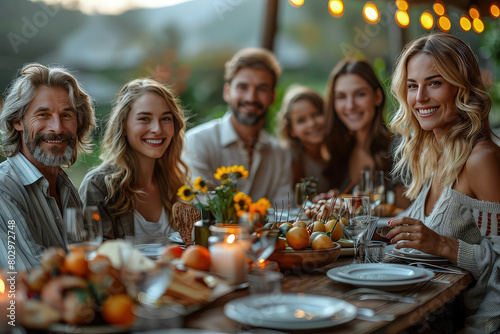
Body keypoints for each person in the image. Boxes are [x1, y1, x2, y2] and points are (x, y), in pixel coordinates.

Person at [386, 33, 500, 332]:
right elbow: (420, 231)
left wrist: (443, 245)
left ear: (462, 88)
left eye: (434, 83)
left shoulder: (481, 159)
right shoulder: (433, 154)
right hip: (427, 313)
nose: (420, 97)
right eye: (412, 86)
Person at [0, 63, 96, 270]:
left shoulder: (65, 186)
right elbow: (36, 277)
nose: (57, 127)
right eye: (43, 114)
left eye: (66, 115)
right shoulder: (4, 190)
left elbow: (82, 261)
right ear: (17, 121)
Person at [79, 79, 188, 243]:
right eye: (145, 118)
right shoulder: (98, 187)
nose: (157, 129)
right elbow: (94, 258)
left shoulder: (175, 183)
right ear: (123, 126)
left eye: (166, 118)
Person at [182, 48, 293, 205]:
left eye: (261, 88)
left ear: (273, 96)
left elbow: (285, 213)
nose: (251, 97)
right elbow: (202, 208)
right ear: (227, 92)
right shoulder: (196, 143)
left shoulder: (279, 154)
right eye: (242, 87)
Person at [315, 58, 410, 209]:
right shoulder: (338, 150)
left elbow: (406, 216)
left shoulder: (400, 148)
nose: (350, 105)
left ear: (377, 97)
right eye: (341, 97)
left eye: (360, 94)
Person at [276, 84, 329, 194]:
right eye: (301, 120)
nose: (312, 123)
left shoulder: (337, 149)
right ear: (291, 130)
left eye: (316, 114)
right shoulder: (290, 156)